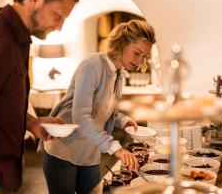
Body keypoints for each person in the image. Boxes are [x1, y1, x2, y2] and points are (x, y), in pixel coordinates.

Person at [0, 0, 81, 193]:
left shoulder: (18, 39)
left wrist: (31, 123)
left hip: (2, 177)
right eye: (58, 16)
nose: (60, 27)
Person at [41, 19, 156, 194]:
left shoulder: (119, 74)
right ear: (122, 44)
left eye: (144, 56)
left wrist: (123, 120)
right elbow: (81, 116)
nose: (140, 61)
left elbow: (104, 110)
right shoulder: (92, 65)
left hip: (89, 152)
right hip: (64, 150)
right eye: (137, 53)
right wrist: (115, 148)